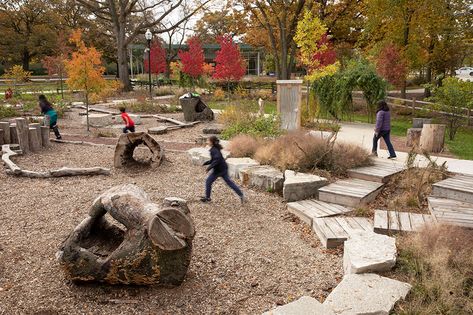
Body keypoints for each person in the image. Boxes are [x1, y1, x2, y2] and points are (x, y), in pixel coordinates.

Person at [201, 136, 246, 204]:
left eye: (208, 141)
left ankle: (208, 198)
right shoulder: (215, 148)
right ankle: (241, 195)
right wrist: (207, 163)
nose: (207, 142)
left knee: (210, 182)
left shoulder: (214, 150)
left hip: (220, 170)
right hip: (222, 168)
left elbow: (217, 159)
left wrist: (209, 167)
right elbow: (215, 159)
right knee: (210, 182)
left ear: (212, 142)